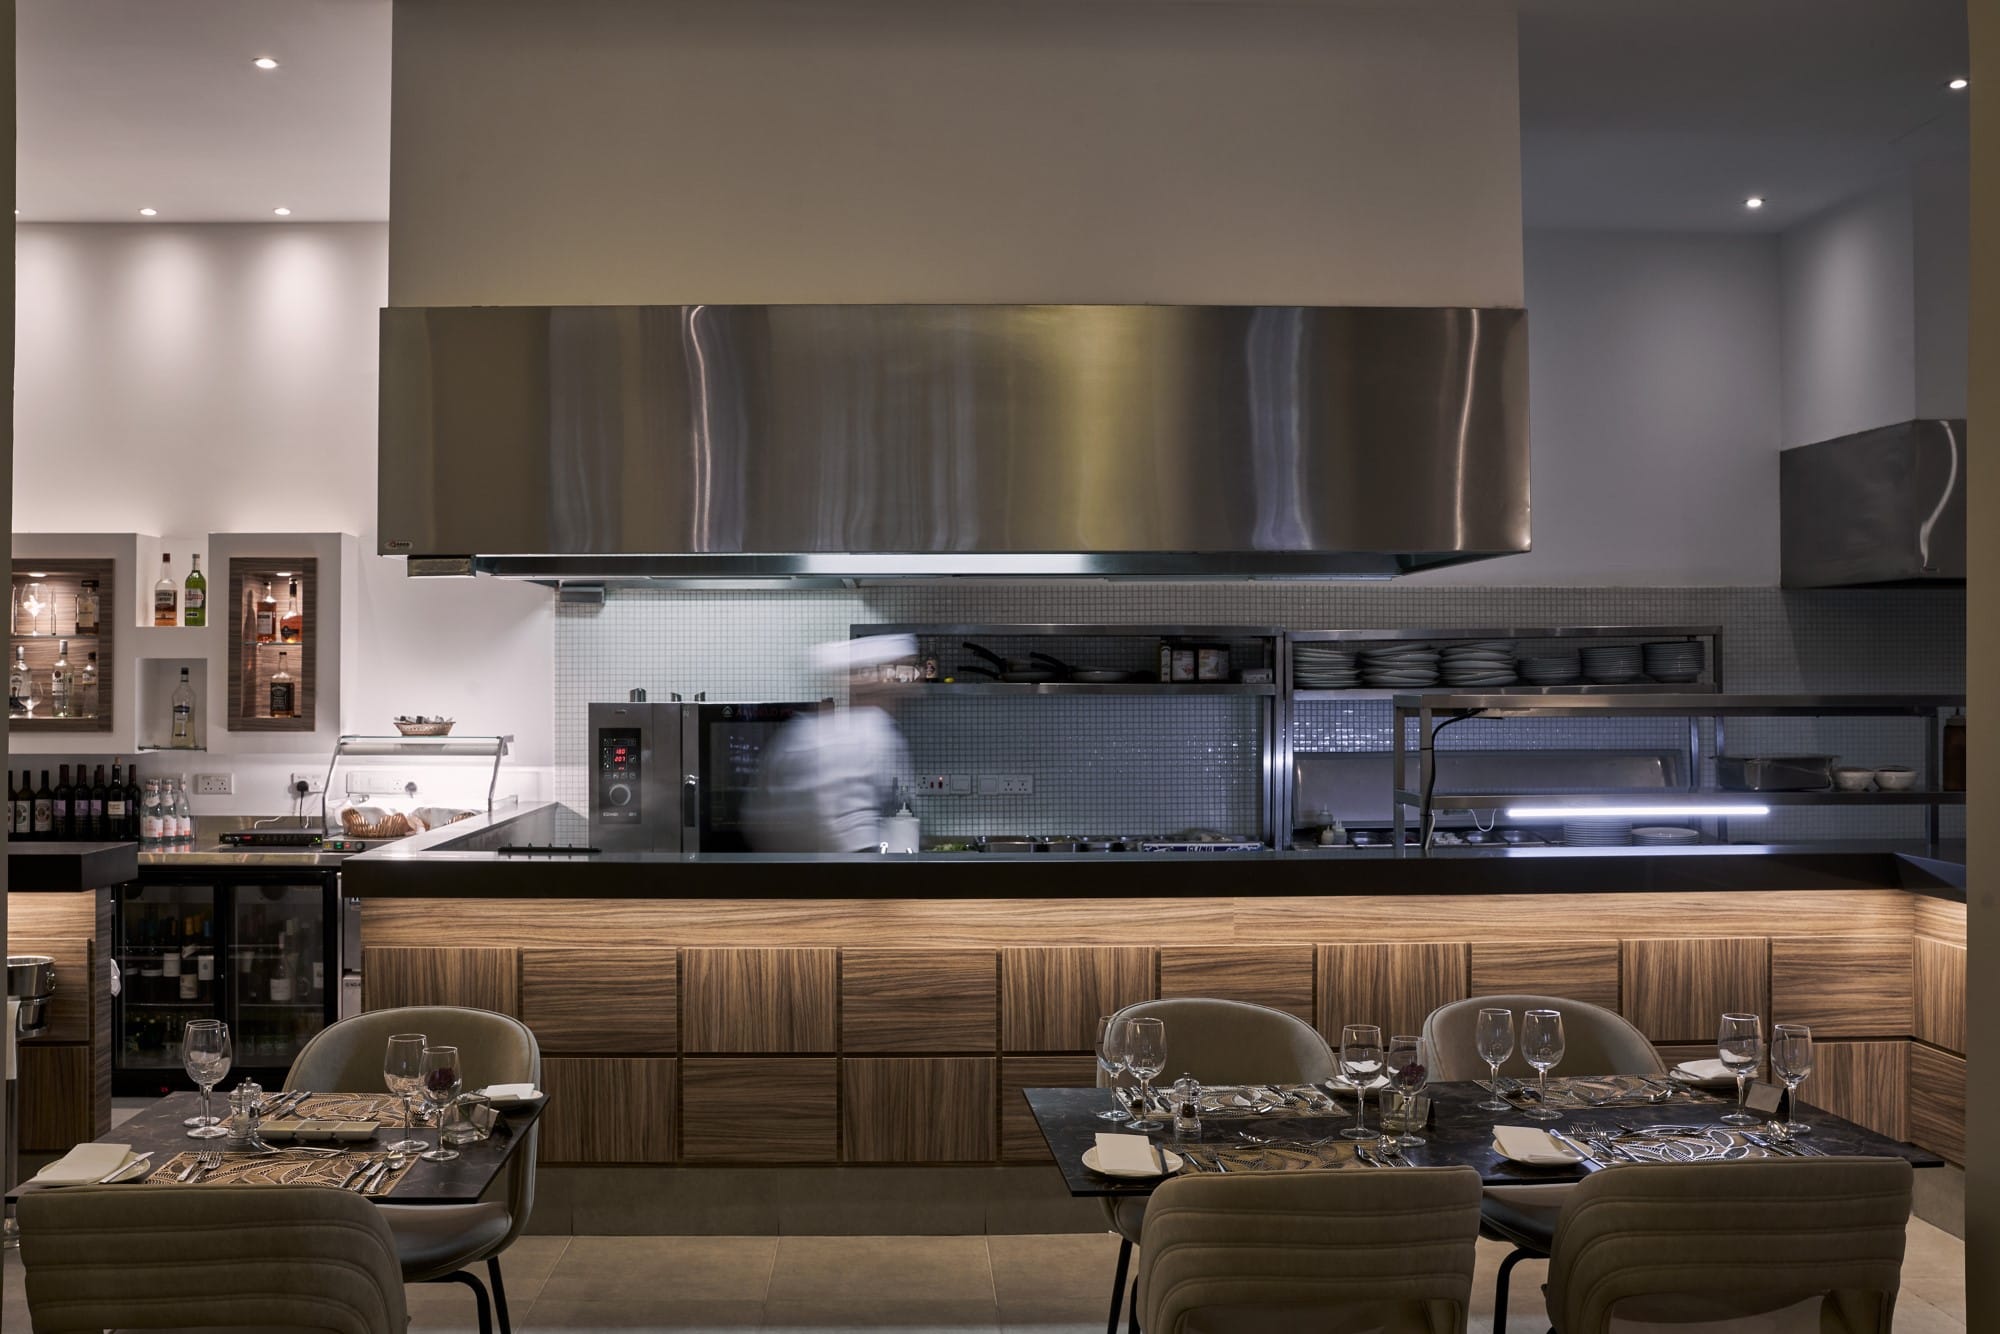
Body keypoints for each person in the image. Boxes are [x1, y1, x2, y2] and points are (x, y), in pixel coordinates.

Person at [748, 635, 915, 853]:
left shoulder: (800, 731)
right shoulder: (872, 730)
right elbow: (894, 810)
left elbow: (758, 813)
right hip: (853, 866)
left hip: (798, 867)